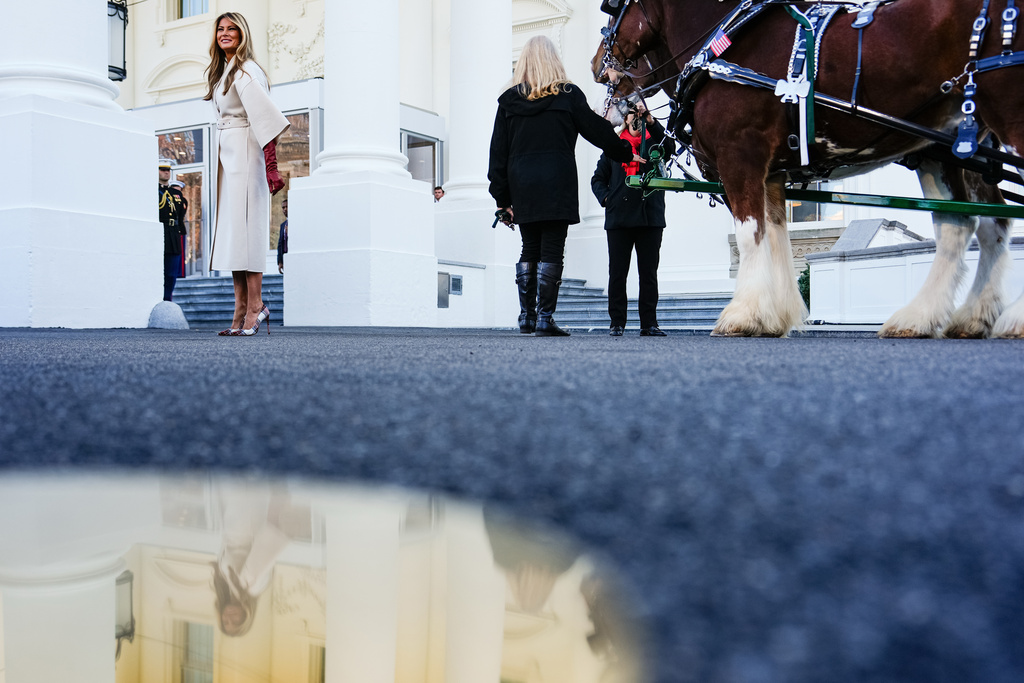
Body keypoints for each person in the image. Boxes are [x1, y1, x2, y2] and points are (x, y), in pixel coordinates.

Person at [488, 35, 640, 337]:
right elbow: (597, 131)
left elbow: (497, 154)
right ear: (554, 60)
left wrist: (501, 199)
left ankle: (527, 317)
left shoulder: (508, 101)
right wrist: (625, 152)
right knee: (552, 248)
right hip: (557, 181)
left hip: (523, 184)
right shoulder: (568, 95)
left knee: (529, 247)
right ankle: (545, 318)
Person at [204, 12, 289, 336]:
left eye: (232, 29)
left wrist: (271, 166)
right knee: (235, 235)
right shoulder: (225, 71)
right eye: (220, 29)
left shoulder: (246, 70)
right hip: (230, 153)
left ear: (242, 35)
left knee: (248, 232)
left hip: (246, 151)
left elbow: (266, 119)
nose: (224, 33)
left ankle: (255, 306)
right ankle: (240, 308)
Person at [591, 105, 674, 336]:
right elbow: (597, 179)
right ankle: (617, 322)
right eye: (631, 113)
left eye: (638, 114)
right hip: (619, 218)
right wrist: (607, 198)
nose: (635, 117)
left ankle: (649, 323)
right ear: (625, 119)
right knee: (618, 274)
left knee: (648, 274)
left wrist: (652, 121)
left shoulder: (655, 144)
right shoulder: (614, 147)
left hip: (650, 218)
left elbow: (670, 148)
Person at [158, 159, 187, 301]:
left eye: (168, 170)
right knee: (160, 270)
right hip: (160, 232)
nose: (166, 172)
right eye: (162, 170)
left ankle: (168, 298)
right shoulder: (153, 192)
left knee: (172, 272)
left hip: (173, 234)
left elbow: (180, 215)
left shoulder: (176, 194)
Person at [276, 197, 288, 274]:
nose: (285, 209)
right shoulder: (283, 225)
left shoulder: (296, 223)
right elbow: (280, 244)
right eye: (283, 207)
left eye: (287, 207)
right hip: (285, 259)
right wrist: (280, 261)